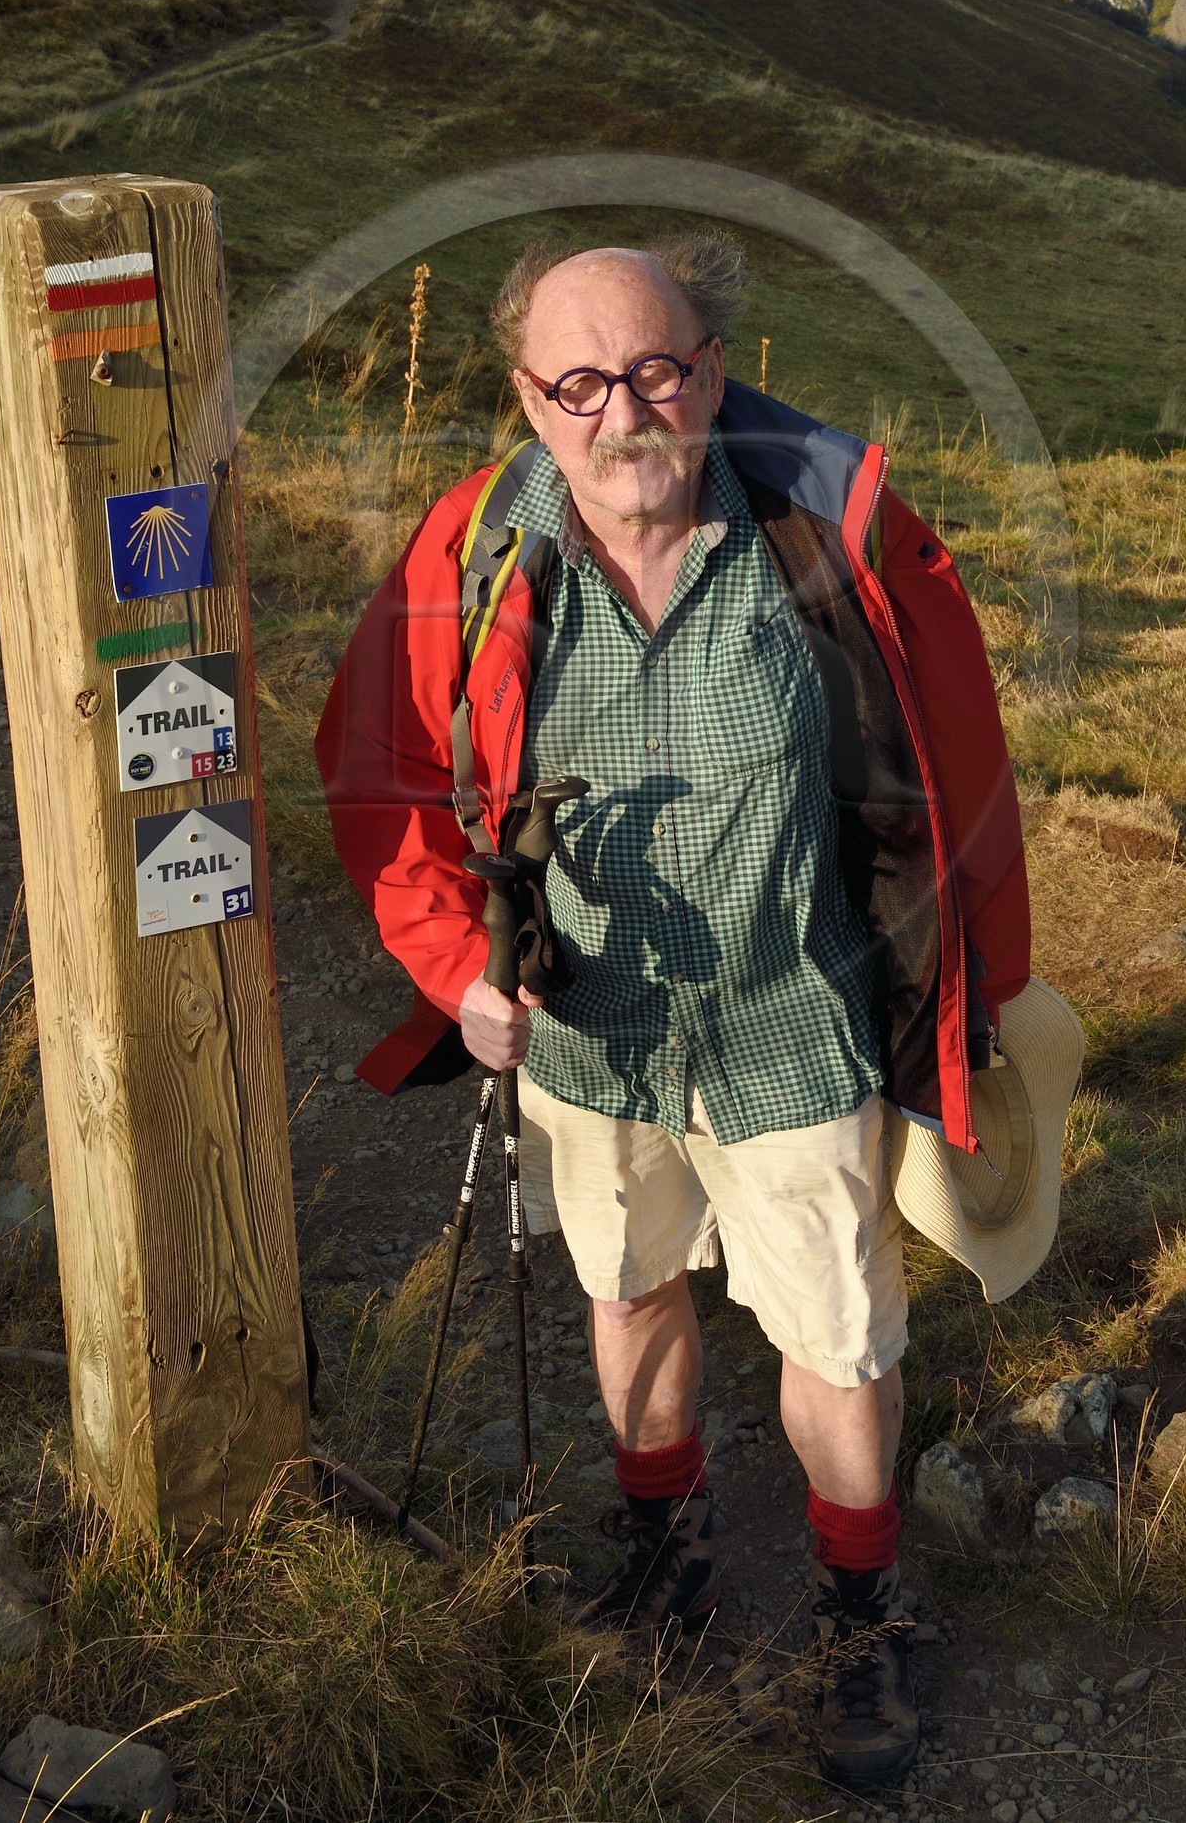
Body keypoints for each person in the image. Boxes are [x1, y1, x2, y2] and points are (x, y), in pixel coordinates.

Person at [315, 231, 1030, 1793]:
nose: (621, 411)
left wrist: (986, 983)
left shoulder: (819, 530)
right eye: (579, 382)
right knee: (630, 1287)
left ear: (712, 369)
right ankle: (666, 1558)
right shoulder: (476, 549)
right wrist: (455, 967)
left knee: (837, 1337)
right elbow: (375, 770)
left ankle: (858, 1609)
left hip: (797, 1013)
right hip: (591, 1030)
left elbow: (959, 758)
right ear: (529, 396)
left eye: (654, 370)